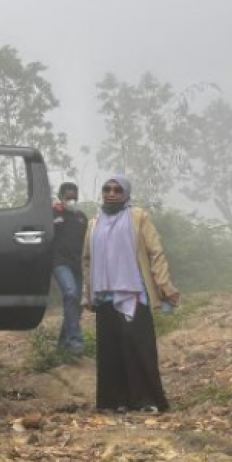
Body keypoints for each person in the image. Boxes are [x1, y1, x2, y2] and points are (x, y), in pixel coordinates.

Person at [81, 175, 180, 414]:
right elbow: (87, 259)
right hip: (105, 295)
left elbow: (155, 252)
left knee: (137, 344)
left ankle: (146, 400)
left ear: (126, 193)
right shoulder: (94, 222)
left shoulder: (138, 217)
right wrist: (89, 290)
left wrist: (164, 285)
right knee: (110, 348)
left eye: (117, 189)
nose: (111, 193)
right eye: (107, 189)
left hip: (133, 292)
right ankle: (114, 401)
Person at [51, 182, 90, 356]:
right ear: (61, 197)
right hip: (60, 262)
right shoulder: (53, 212)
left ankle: (63, 347)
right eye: (68, 197)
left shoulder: (81, 217)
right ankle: (75, 341)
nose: (71, 200)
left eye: (74, 197)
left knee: (77, 304)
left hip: (78, 264)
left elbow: (88, 242)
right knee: (70, 293)